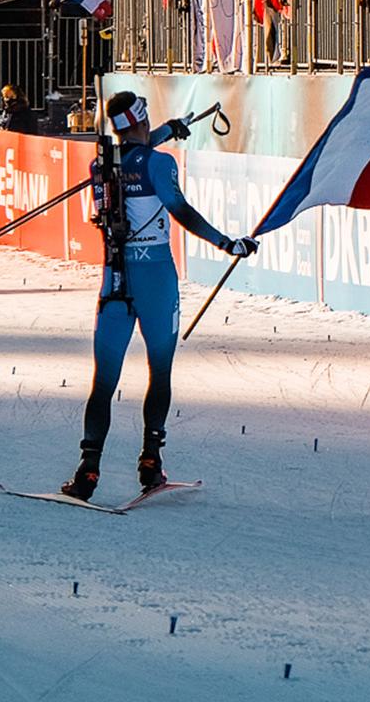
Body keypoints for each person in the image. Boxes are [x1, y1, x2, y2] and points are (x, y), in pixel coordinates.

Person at [61, 90, 259, 501]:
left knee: (104, 380)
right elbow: (180, 210)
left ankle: (88, 470)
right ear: (141, 118)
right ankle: (150, 460)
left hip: (115, 279)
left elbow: (134, 150)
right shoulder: (160, 163)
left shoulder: (102, 165)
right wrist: (227, 244)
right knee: (160, 370)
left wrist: (169, 128)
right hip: (156, 280)